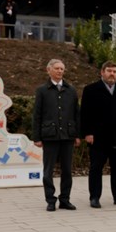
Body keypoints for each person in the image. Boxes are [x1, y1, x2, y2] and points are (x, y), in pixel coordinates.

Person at [80, 61, 116, 208]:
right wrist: (87, 133)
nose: (112, 74)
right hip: (98, 138)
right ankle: (94, 197)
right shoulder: (91, 90)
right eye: (109, 71)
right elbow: (85, 114)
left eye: (114, 71)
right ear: (102, 72)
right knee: (96, 168)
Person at [32, 59, 79, 212]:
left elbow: (76, 114)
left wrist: (77, 134)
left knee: (67, 170)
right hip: (50, 135)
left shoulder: (71, 90)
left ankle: (65, 199)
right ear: (49, 70)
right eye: (57, 68)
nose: (60, 71)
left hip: (68, 135)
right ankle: (50, 199)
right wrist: (37, 137)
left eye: (62, 69)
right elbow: (37, 115)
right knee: (48, 170)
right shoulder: (42, 90)